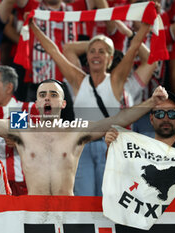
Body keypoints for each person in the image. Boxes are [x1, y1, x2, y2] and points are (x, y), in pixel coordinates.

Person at [0, 79, 168, 195]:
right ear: (36, 102)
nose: (47, 98)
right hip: (33, 210)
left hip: (69, 209)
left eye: (53, 95)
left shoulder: (76, 129)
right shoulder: (24, 128)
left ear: (62, 103)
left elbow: (116, 120)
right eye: (42, 94)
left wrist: (151, 102)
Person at [29, 12, 153, 196]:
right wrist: (32, 26)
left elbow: (135, 47)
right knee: (84, 200)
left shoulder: (117, 80)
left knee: (108, 200)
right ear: (86, 57)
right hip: (82, 145)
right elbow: (55, 51)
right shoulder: (79, 80)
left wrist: (145, 26)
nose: (96, 55)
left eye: (102, 51)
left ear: (110, 59)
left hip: (111, 144)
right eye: (92, 51)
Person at [105, 92, 175, 198]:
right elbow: (116, 162)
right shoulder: (139, 149)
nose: (166, 118)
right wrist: (111, 145)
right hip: (147, 217)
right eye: (159, 113)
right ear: (151, 119)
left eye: (172, 114)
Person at [0, 65, 38, 195]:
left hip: (21, 185)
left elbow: (48, 146)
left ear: (9, 87)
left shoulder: (25, 110)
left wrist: (23, 141)